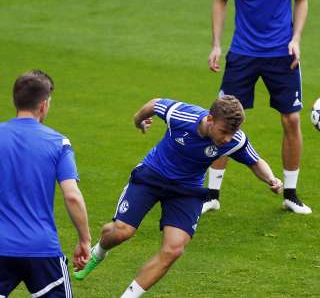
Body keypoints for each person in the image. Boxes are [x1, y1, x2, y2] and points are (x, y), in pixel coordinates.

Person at [73, 96, 283, 298]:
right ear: (210, 119)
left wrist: (271, 179)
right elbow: (155, 104)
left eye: (233, 132)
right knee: (121, 232)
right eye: (224, 131)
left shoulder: (233, 140)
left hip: (187, 190)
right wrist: (138, 120)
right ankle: (99, 251)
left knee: (173, 249)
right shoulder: (181, 115)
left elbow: (255, 161)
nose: (227, 138)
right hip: (152, 176)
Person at [0, 70, 91, 298]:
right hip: (43, 249)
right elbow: (72, 195)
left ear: (16, 100)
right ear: (43, 105)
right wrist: (84, 239)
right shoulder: (59, 143)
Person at [205, 0, 311, 214]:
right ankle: (211, 195)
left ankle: (290, 194)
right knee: (223, 119)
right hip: (243, 54)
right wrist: (216, 44)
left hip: (282, 54)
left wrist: (296, 39)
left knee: (291, 119)